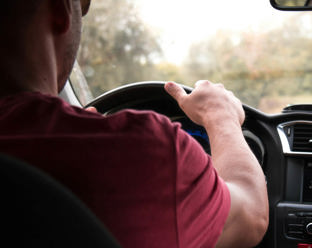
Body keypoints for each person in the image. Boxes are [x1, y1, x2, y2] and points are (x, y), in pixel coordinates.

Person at [0, 0, 268, 248]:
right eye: (82, 5)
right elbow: (252, 215)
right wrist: (220, 116)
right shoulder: (141, 153)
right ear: (61, 10)